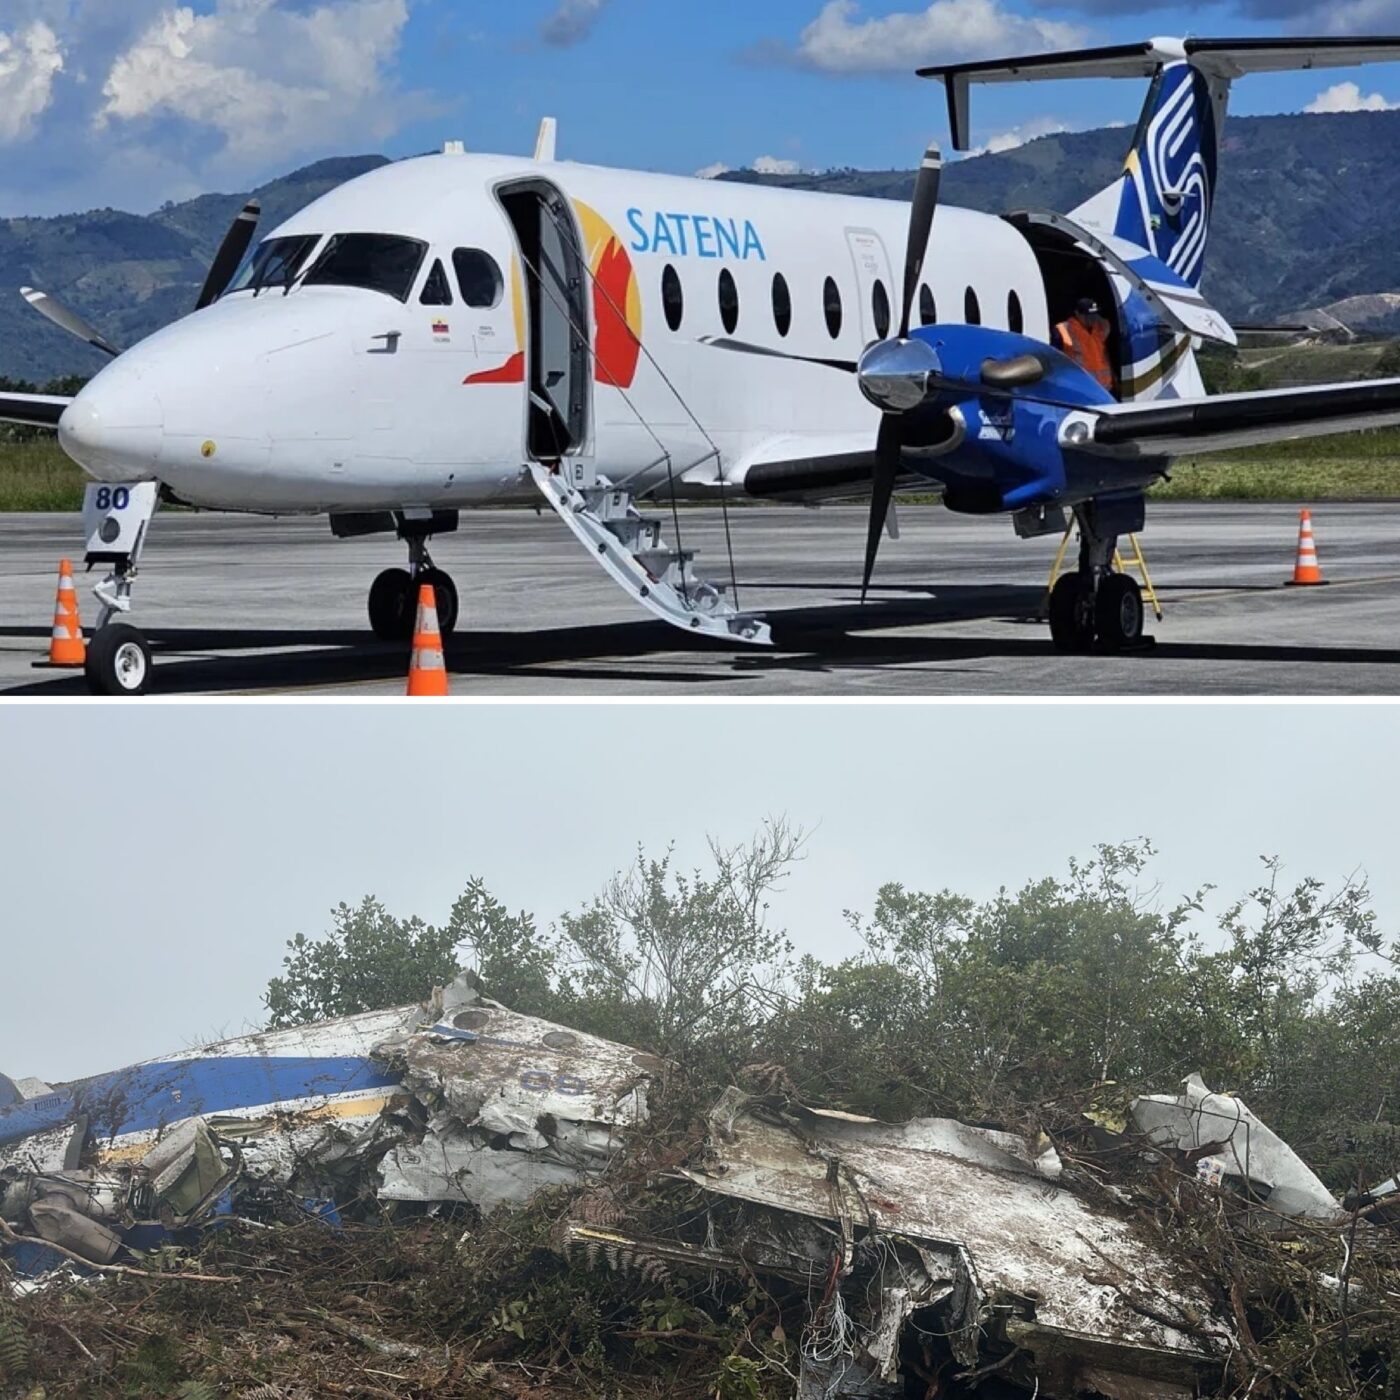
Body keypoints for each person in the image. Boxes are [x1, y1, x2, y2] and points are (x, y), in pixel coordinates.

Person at [1054, 297, 1114, 394]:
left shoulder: (1099, 328)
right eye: (1088, 315)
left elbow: (1106, 324)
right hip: (1080, 390)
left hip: (1104, 390)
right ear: (1077, 313)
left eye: (1094, 315)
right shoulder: (1064, 331)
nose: (1092, 319)